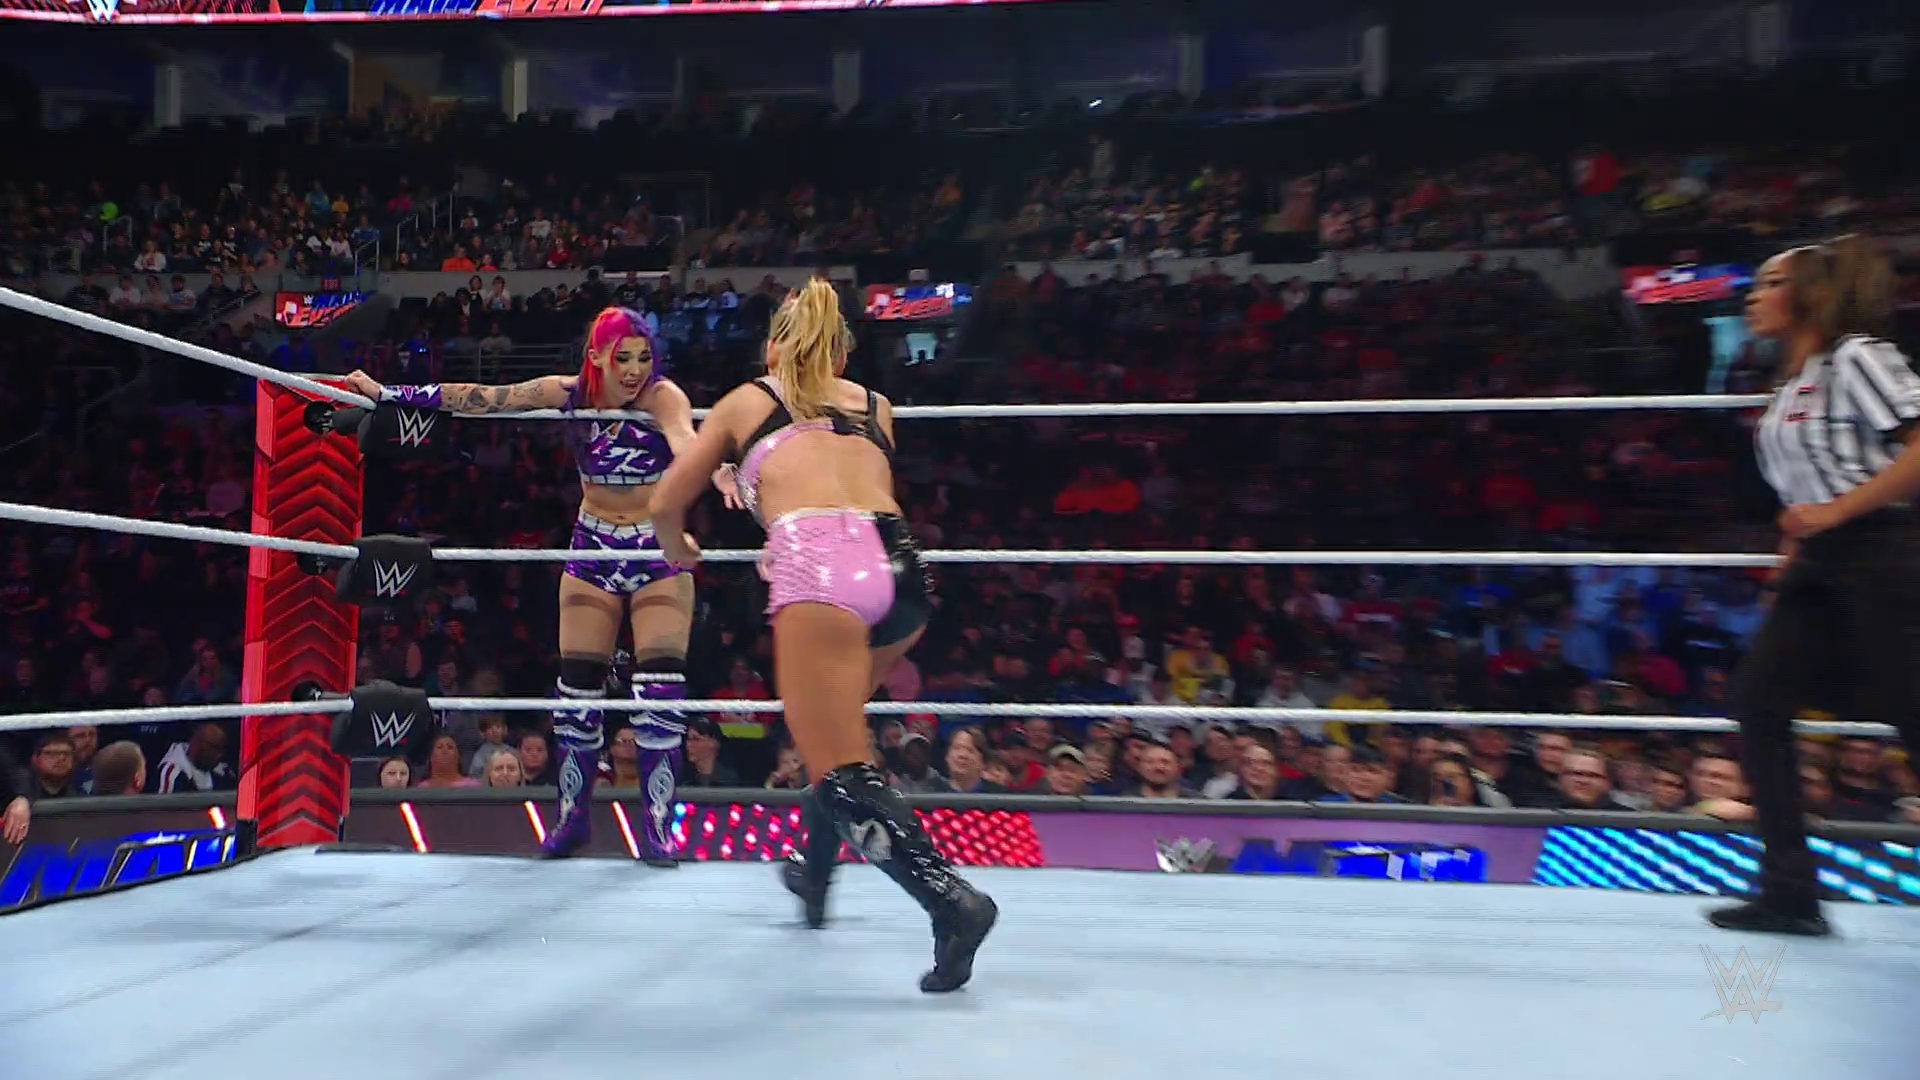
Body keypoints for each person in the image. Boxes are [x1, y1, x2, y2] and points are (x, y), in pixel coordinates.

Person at [648, 279, 997, 993]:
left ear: (775, 347)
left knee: (840, 771)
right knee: (836, 746)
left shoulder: (747, 400)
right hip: (902, 569)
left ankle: (950, 900)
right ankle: (813, 876)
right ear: (840, 355)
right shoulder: (876, 404)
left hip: (820, 566)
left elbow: (664, 499)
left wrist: (677, 546)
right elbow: (835, 473)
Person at [347, 307, 734, 864]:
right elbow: (483, 397)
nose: (634, 370)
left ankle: (656, 830)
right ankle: (572, 821)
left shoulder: (661, 396)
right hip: (593, 546)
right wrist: (390, 393)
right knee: (577, 696)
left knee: (661, 695)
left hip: (656, 548)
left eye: (643, 357)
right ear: (596, 356)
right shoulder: (568, 393)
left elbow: (684, 439)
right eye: (623, 358)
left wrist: (716, 470)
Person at [1714, 234, 1920, 936]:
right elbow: (1807, 488)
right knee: (1758, 699)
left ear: (1808, 293)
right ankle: (1790, 891)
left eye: (1770, 282)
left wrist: (1835, 511)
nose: (1754, 296)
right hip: (1819, 561)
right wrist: (1797, 542)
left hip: (1881, 550)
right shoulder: (1790, 381)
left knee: (1912, 711)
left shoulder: (1855, 357)